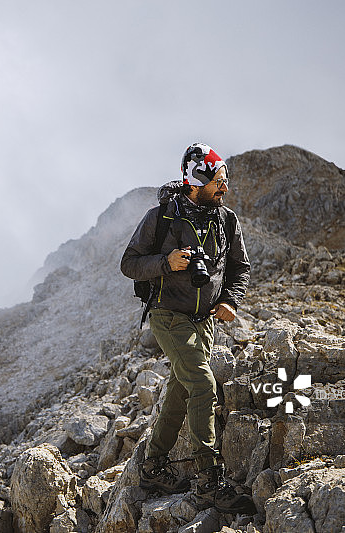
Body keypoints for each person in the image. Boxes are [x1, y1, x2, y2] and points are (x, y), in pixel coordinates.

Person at [120, 143, 255, 514]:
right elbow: (129, 263)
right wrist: (167, 262)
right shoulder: (160, 217)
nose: (224, 188)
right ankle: (210, 482)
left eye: (224, 181)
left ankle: (152, 466)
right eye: (218, 181)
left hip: (205, 320)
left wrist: (229, 300)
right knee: (203, 384)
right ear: (197, 181)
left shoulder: (226, 219)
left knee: (182, 391)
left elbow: (240, 267)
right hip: (168, 316)